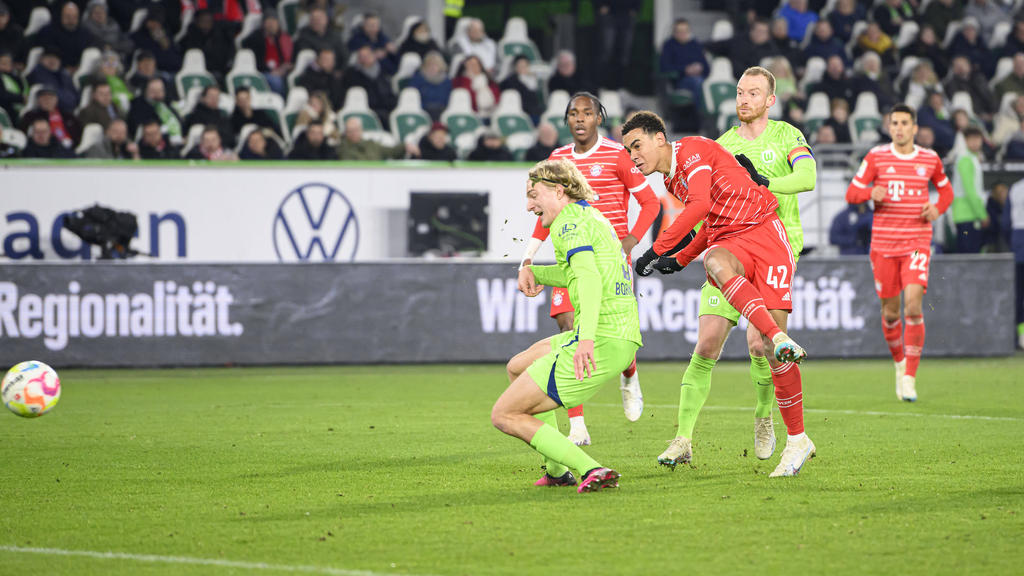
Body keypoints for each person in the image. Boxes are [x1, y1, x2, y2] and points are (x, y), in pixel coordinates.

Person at [622, 110, 813, 477]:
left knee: (769, 353)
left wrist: (657, 249)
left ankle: (795, 437)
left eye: (637, 145)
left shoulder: (692, 150)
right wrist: (679, 260)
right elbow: (710, 222)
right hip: (730, 242)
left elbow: (699, 207)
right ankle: (683, 438)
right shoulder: (672, 182)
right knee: (714, 271)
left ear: (659, 138)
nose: (633, 156)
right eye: (629, 150)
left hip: (767, 235)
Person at [518, 92, 659, 446]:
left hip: (609, 258)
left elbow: (650, 203)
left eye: (587, 113)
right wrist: (529, 258)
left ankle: (629, 373)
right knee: (568, 325)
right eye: (572, 113)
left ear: (599, 118)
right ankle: (577, 424)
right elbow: (542, 215)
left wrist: (631, 240)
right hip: (573, 255)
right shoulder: (558, 158)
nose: (579, 118)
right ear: (566, 120)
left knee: (612, 330)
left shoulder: (616, 155)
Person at [494, 158, 642, 493]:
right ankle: (557, 469)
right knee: (518, 367)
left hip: (602, 337)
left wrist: (585, 341)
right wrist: (537, 273)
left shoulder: (567, 225)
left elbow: (589, 282)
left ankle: (592, 468)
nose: (529, 205)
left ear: (559, 191)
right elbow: (582, 273)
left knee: (504, 414)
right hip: (619, 334)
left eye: (534, 195)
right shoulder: (585, 214)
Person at [845, 104, 954, 402]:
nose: (900, 128)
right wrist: (870, 193)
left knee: (913, 306)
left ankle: (910, 378)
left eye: (905, 123)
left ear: (915, 127)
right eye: (895, 123)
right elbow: (852, 192)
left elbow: (946, 192)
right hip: (883, 247)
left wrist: (937, 208)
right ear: (889, 126)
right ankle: (899, 364)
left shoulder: (930, 159)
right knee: (891, 313)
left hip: (917, 242)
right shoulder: (876, 157)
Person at [952, 126, 990, 253]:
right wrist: (982, 214)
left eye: (977, 139)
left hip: (970, 215)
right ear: (965, 141)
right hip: (966, 215)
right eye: (971, 139)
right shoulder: (965, 160)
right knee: (969, 256)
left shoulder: (973, 159)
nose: (975, 142)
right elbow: (970, 190)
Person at [242, 12, 293, 96]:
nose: (272, 25)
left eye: (274, 22)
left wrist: (284, 67)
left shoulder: (281, 38)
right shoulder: (256, 38)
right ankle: (280, 105)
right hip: (263, 72)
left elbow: (287, 57)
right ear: (263, 24)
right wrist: (272, 71)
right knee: (276, 81)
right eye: (269, 23)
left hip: (280, 71)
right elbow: (256, 61)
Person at [337, 116, 417, 160]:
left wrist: (404, 146)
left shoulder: (371, 145)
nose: (353, 133)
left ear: (361, 130)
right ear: (346, 132)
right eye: (350, 131)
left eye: (356, 130)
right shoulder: (342, 148)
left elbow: (391, 151)